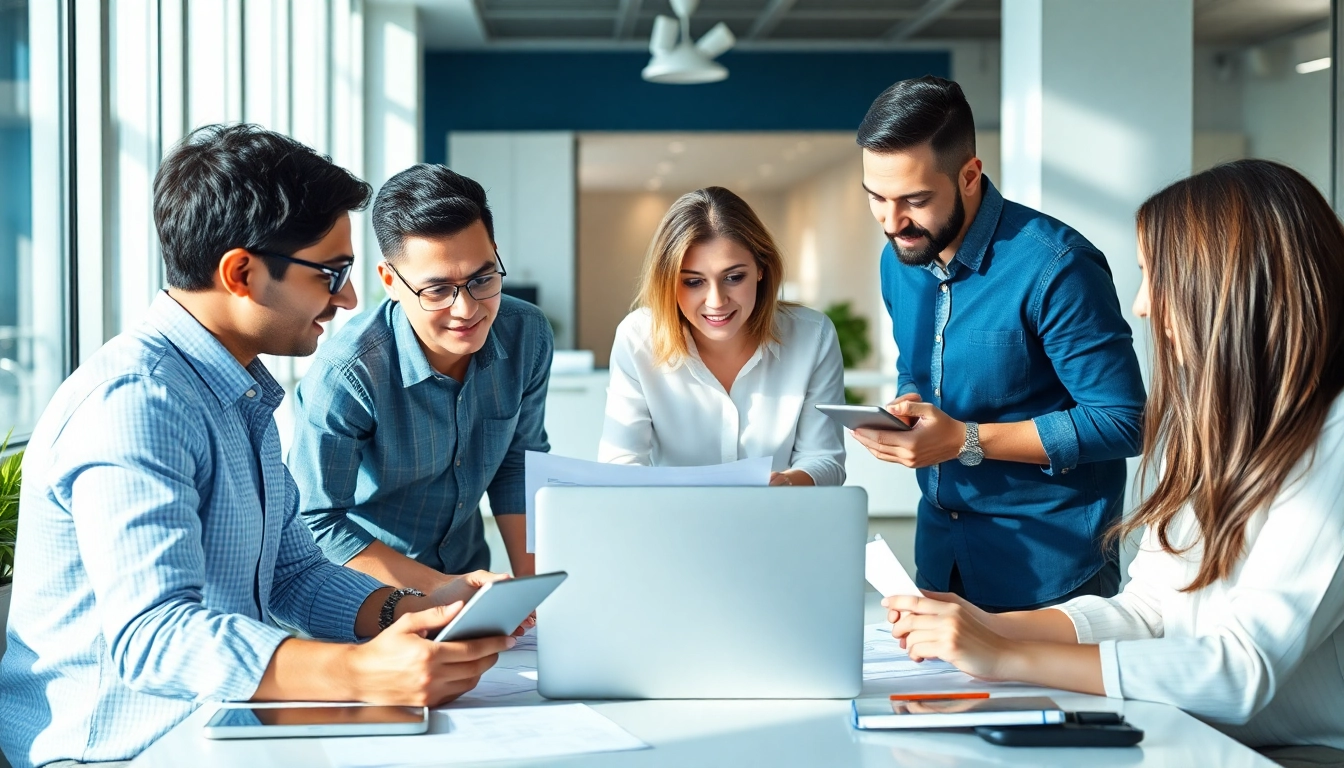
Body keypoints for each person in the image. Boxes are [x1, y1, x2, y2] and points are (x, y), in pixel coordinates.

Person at [0, 126, 516, 768]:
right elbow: (153, 638)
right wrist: (360, 676)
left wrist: (417, 608)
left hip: (218, 725)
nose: (350, 297)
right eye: (332, 273)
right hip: (118, 751)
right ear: (241, 273)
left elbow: (291, 574)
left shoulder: (238, 392)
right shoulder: (138, 403)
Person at [883, 160, 1344, 767]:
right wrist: (990, 624)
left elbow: (1238, 672)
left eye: (1157, 277)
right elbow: (1147, 612)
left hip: (1290, 753)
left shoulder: (1332, 439)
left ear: (1226, 286)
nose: (1143, 304)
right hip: (1188, 733)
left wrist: (1003, 657)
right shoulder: (1204, 425)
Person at [852, 76, 1146, 610]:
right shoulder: (900, 260)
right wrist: (909, 403)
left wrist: (966, 440)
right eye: (877, 197)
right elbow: (917, 369)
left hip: (1051, 571)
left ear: (969, 176)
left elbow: (1123, 421)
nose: (892, 223)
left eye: (915, 200)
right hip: (942, 557)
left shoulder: (1057, 267)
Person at [289, 164, 550, 587]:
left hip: (468, 583)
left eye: (482, 279)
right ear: (391, 281)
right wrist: (441, 590)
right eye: (437, 290)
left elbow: (517, 465)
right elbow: (315, 522)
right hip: (367, 601)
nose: (467, 310)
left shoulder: (527, 334)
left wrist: (535, 590)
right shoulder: (348, 373)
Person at [599, 186, 845, 487]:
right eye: (693, 282)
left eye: (733, 277)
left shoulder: (812, 336)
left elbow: (825, 459)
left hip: (777, 521)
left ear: (761, 270)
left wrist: (788, 482)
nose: (716, 301)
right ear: (668, 283)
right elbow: (621, 463)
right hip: (673, 526)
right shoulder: (637, 338)